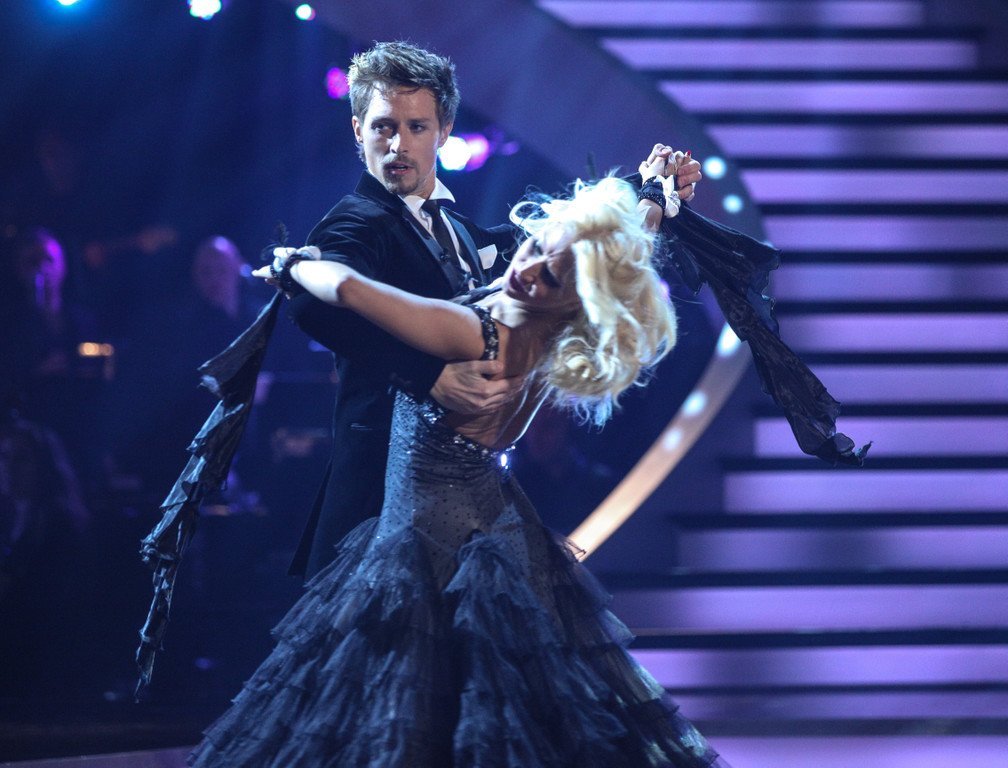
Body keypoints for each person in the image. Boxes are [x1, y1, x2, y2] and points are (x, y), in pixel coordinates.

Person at [187, 172, 728, 767]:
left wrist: (293, 264)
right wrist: (651, 198)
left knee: (408, 715)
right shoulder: (552, 331)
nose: (526, 269)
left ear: (578, 300)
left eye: (549, 276)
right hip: (495, 526)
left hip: (423, 543)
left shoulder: (477, 334)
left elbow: (346, 288)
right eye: (533, 245)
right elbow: (625, 246)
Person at [284, 41, 701, 579]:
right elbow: (312, 304)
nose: (398, 145)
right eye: (384, 127)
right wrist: (427, 375)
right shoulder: (356, 220)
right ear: (358, 130)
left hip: (470, 500)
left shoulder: (459, 228)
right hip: (379, 496)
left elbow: (565, 252)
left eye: (416, 127)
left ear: (444, 131)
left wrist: (648, 192)